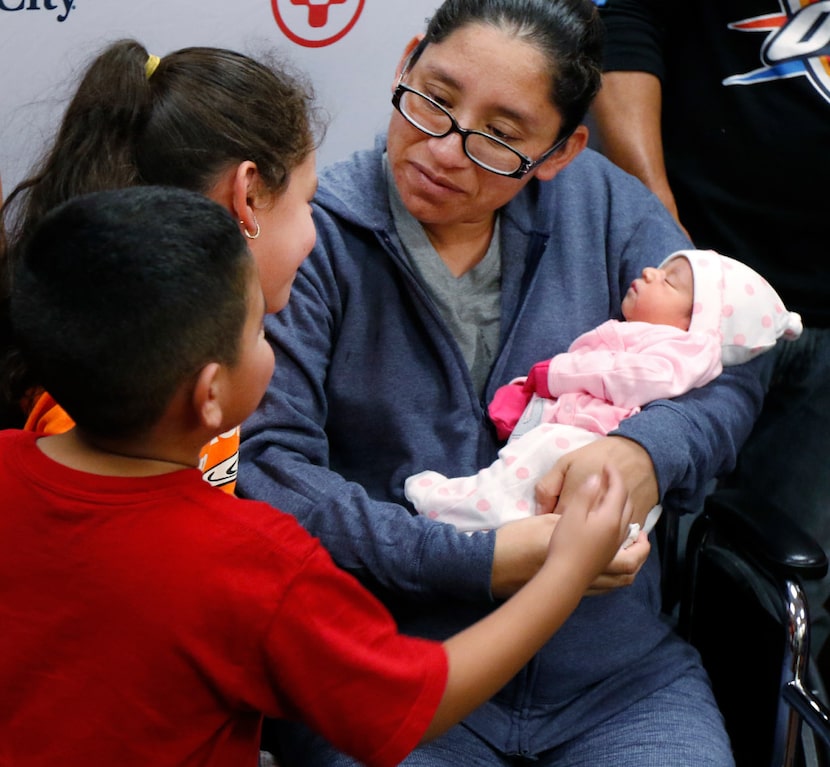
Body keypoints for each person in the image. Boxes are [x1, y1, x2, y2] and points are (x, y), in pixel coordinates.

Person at [237, 0, 768, 764]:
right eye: (434, 100)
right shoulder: (314, 234)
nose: (445, 150)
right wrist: (484, 558)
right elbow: (271, 472)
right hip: (387, 661)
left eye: (499, 136)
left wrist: (646, 456)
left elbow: (734, 364)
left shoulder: (607, 204)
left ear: (561, 151)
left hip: (612, 679)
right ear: (404, 62)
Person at [0, 185, 635, 767]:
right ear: (210, 396)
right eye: (258, 329)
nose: (273, 341)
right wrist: (566, 571)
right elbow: (413, 708)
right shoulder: (253, 560)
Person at [590, 0, 830, 673]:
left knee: (783, 591)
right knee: (626, 556)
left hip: (822, 326)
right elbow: (627, 19)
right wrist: (657, 217)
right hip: (690, 289)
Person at [0, 39, 320, 495]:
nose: (315, 228)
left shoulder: (193, 358)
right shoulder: (97, 421)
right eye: (308, 201)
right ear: (247, 198)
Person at [405, 249, 802, 534]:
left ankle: (470, 510)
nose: (649, 272)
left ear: (699, 320)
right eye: (659, 270)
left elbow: (634, 377)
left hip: (592, 437)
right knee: (530, 466)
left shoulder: (689, 349)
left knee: (538, 462)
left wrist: (562, 375)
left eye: (669, 282)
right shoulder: (643, 333)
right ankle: (489, 522)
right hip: (579, 426)